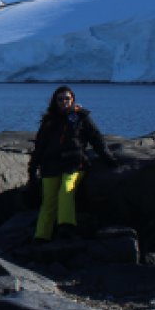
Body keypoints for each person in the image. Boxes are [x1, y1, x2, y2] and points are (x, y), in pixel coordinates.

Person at [28, 85, 118, 241]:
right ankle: (41, 236)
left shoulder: (81, 117)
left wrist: (107, 157)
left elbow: (96, 139)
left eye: (67, 99)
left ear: (73, 100)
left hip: (74, 163)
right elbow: (40, 146)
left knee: (66, 190)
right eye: (60, 99)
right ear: (55, 101)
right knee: (48, 201)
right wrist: (32, 168)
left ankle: (66, 227)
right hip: (51, 165)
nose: (64, 102)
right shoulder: (49, 121)